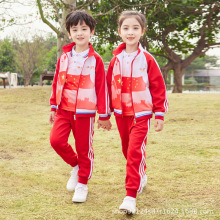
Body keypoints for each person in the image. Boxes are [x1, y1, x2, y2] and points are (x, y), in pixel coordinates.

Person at [107, 10, 168, 214]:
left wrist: (159, 114)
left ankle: (130, 196)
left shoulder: (148, 59)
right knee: (127, 150)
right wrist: (105, 113)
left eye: (135, 28)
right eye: (126, 28)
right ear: (119, 31)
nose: (130, 32)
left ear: (142, 31)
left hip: (142, 114)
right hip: (120, 114)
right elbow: (108, 87)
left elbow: (158, 87)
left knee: (134, 152)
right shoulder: (115, 60)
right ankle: (140, 174)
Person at [49, 10, 111, 203]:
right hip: (63, 111)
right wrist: (53, 106)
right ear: (69, 33)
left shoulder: (96, 60)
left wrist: (104, 115)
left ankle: (82, 183)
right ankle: (76, 166)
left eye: (84, 28)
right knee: (56, 141)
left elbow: (102, 88)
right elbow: (57, 83)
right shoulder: (64, 57)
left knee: (84, 148)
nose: (79, 33)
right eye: (75, 29)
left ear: (91, 32)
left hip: (85, 113)